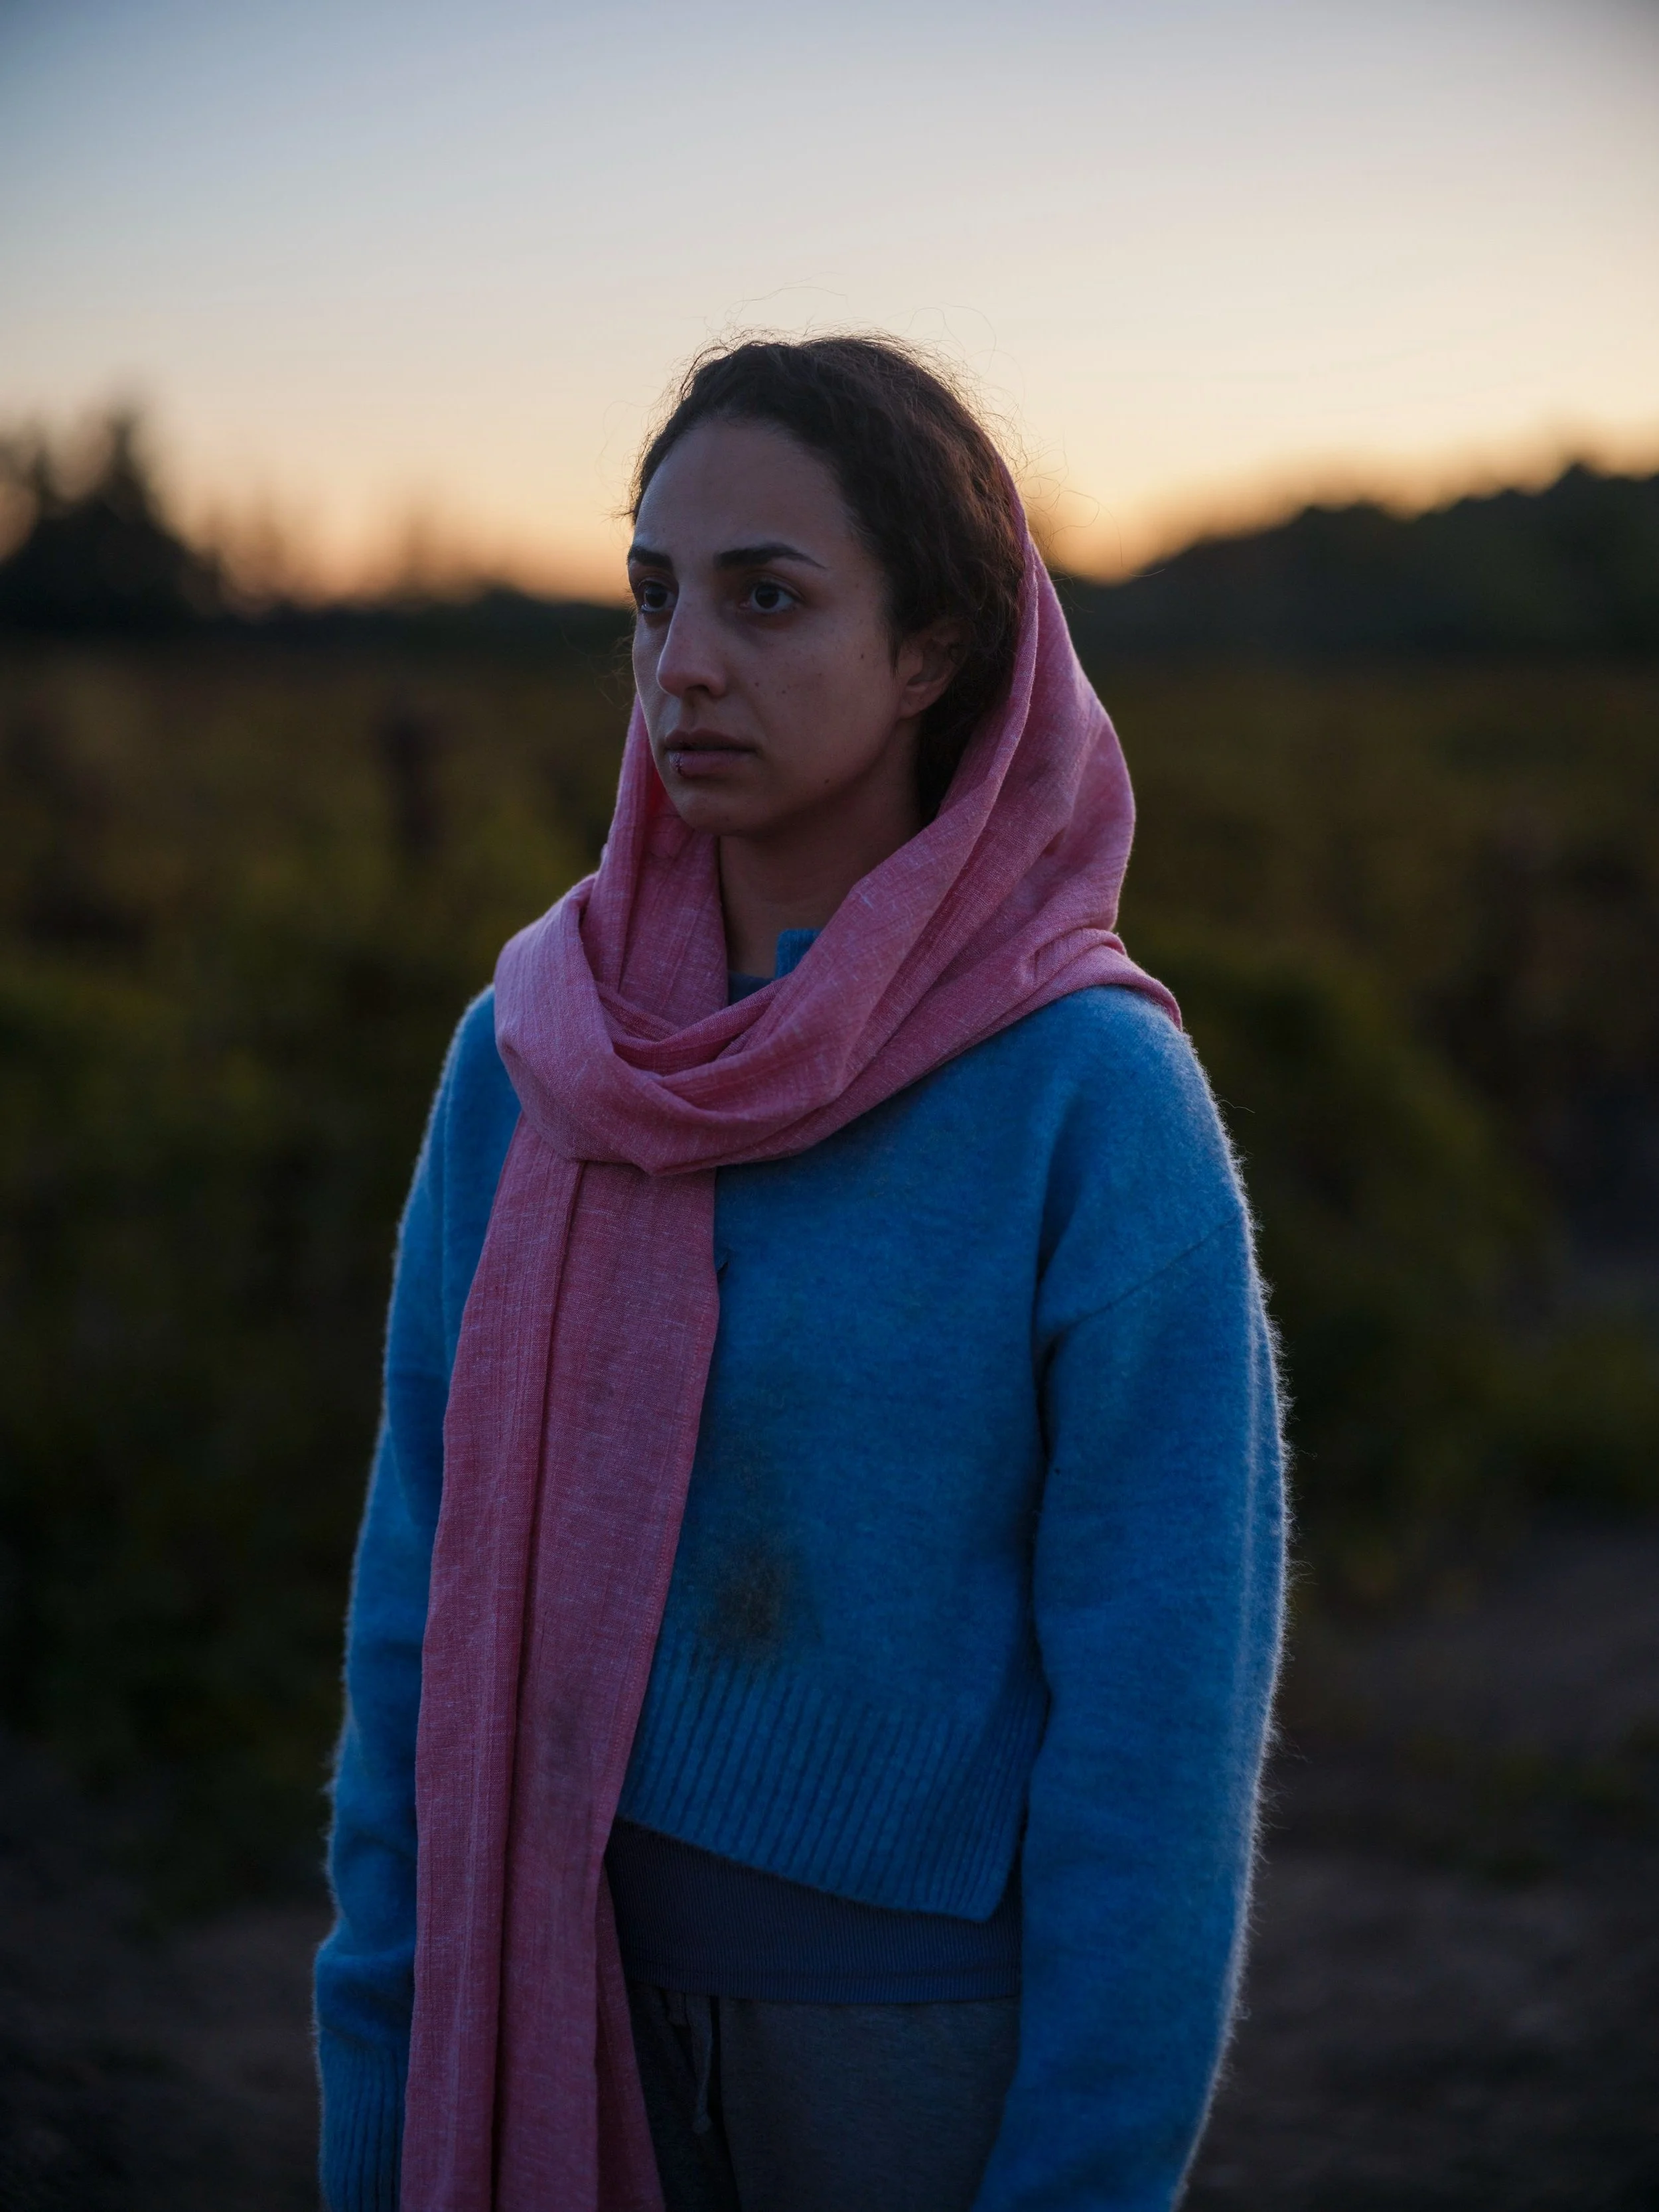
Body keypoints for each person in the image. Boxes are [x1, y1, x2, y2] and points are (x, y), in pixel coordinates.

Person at [315, 335, 1285, 2212]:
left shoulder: (1084, 1097)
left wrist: (1084, 2174)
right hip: (544, 1981)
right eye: (653, 597)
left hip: (907, 2059)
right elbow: (410, 1605)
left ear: (932, 650)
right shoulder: (530, 1062)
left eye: (768, 598)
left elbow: (1160, 1733)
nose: (685, 662)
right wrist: (380, 2050)